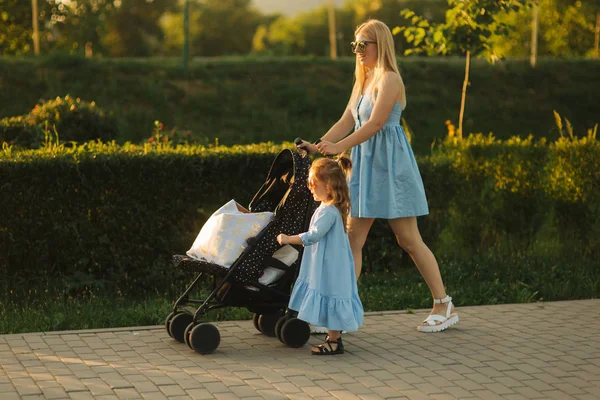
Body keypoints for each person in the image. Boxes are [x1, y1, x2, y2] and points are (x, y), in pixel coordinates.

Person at [296, 19, 459, 333]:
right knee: (351, 240)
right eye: (354, 45)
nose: (357, 51)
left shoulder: (390, 79)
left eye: (363, 44)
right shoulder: (364, 80)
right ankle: (338, 314)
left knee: (408, 239)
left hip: (391, 166)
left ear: (379, 45)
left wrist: (337, 148)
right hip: (363, 165)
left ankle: (443, 303)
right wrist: (318, 147)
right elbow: (348, 119)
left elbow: (374, 125)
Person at [277, 156, 363, 355]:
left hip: (330, 266)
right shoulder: (328, 208)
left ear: (330, 187)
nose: (310, 187)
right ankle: (333, 339)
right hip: (329, 263)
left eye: (313, 183)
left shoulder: (328, 212)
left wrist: (289, 238)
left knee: (331, 295)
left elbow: (314, 236)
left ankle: (333, 341)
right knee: (330, 296)